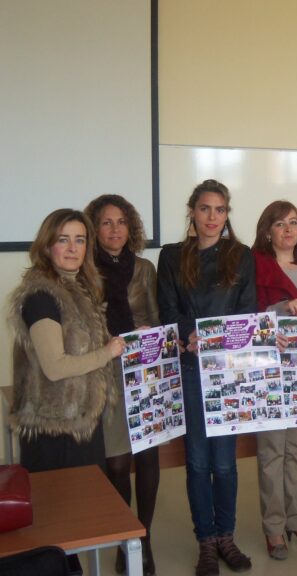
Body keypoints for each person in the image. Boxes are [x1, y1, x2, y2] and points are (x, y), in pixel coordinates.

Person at [157, 179, 256, 576]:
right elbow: (166, 309)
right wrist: (187, 333)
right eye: (204, 209)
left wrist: (218, 339)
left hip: (228, 370)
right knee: (198, 462)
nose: (212, 217)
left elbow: (248, 312)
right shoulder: (171, 257)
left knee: (226, 464)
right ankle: (206, 542)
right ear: (192, 212)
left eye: (220, 210)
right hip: (191, 368)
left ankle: (226, 537)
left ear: (227, 215)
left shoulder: (242, 255)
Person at [8, 209, 125, 473]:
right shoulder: (42, 297)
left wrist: (121, 341)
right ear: (47, 246)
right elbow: (55, 367)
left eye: (80, 240)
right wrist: (107, 353)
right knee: (64, 509)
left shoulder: (76, 291)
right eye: (63, 240)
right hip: (55, 428)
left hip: (80, 420)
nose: (73, 248)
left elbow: (84, 344)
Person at [84, 194, 161, 575]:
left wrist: (153, 337)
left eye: (121, 222)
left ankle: (143, 537)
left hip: (144, 367)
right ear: (94, 229)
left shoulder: (145, 268)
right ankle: (122, 533)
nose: (115, 229)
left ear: (131, 227)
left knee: (148, 456)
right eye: (106, 222)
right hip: (105, 371)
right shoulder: (84, 270)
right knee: (117, 462)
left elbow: (156, 315)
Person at [251, 200, 297, 559]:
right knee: (271, 453)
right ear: (268, 231)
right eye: (280, 224)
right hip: (269, 370)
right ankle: (274, 528)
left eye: (294, 222)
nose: (288, 229)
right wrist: (277, 311)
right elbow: (244, 315)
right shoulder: (255, 265)